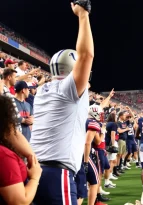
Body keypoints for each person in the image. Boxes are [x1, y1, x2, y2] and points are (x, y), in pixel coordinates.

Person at [30, 1, 94, 204]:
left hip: (34, 170)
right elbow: (86, 55)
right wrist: (83, 15)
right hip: (56, 174)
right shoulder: (68, 89)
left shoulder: (42, 91)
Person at [0, 95, 42, 204]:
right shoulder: (4, 155)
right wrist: (35, 178)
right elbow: (19, 201)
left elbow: (14, 135)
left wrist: (30, 156)